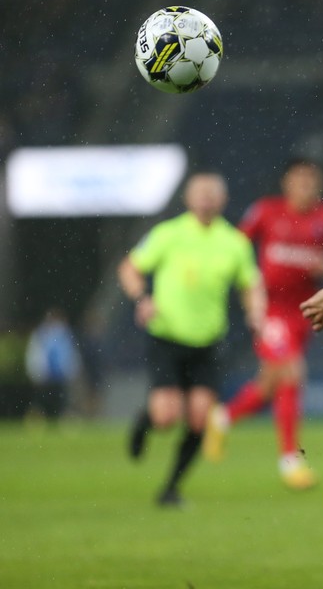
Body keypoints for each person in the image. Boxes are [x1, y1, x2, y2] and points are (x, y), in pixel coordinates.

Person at [118, 172, 265, 507]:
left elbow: (251, 284)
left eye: (213, 192)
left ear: (223, 200)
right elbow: (129, 268)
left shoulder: (234, 242)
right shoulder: (168, 234)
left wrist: (256, 313)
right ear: (188, 198)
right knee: (167, 416)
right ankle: (146, 421)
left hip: (208, 342)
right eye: (200, 192)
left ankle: (170, 488)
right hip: (167, 337)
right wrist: (142, 299)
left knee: (200, 418)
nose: (206, 198)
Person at [203, 158, 323, 490]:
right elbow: (235, 247)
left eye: (311, 181)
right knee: (291, 372)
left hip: (305, 311)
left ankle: (223, 417)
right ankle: (289, 459)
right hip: (269, 310)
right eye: (298, 180)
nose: (305, 186)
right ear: (286, 183)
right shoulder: (266, 212)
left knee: (272, 384)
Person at [24, 308, 83, 424]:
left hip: (61, 373)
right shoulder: (41, 334)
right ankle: (37, 419)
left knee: (63, 398)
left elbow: (69, 353)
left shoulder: (64, 334)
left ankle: (65, 418)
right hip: (45, 373)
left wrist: (72, 369)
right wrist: (35, 370)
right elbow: (35, 352)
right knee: (42, 398)